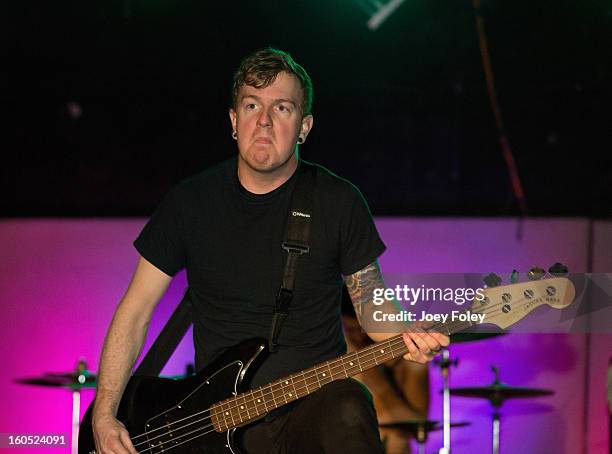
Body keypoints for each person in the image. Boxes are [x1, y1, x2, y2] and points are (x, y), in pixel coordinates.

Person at [92, 47, 449, 454]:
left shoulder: (338, 201)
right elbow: (135, 312)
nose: (263, 120)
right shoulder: (189, 203)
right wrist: (105, 414)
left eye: (281, 108)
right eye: (251, 105)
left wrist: (407, 337)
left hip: (313, 408)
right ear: (233, 121)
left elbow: (370, 303)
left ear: (304, 126)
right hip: (217, 418)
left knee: (350, 403)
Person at [342, 286, 429, 454]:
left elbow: (415, 425)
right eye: (351, 330)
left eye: (363, 330)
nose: (359, 337)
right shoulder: (341, 353)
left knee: (398, 441)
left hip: (394, 447)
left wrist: (368, 369)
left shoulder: (409, 359)